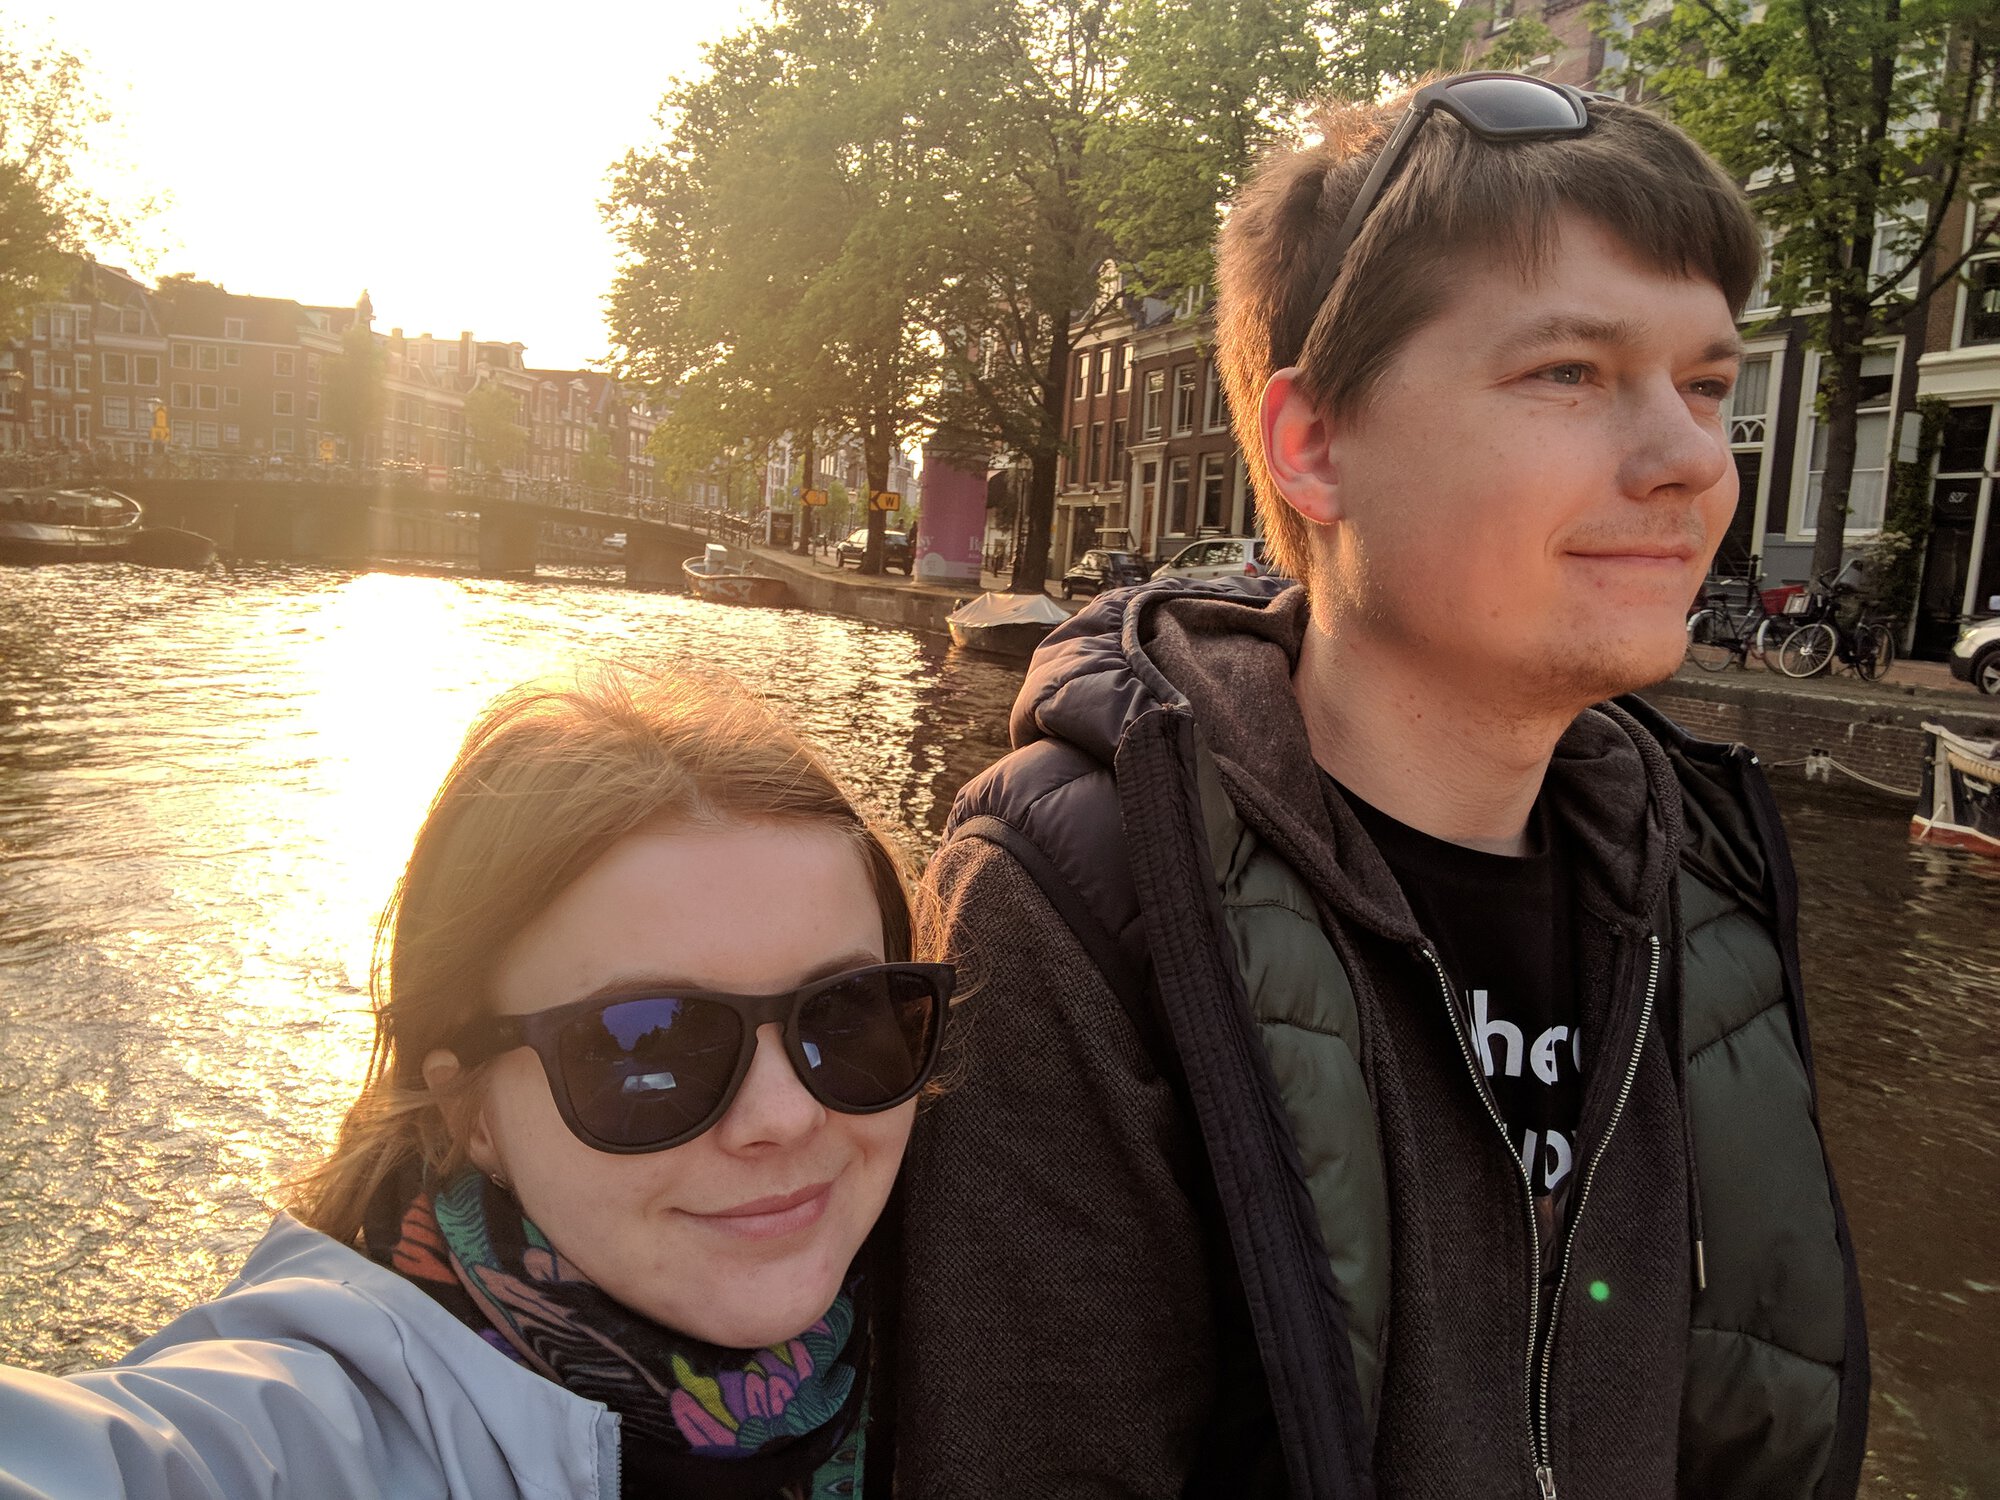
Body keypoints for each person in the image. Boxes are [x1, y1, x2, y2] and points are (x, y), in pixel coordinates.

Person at [894, 73, 1867, 1499]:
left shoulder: (1703, 884)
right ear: (1314, 445)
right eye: (1570, 374)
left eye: (1705, 384)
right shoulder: (1073, 906)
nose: (1690, 462)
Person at [0, 666, 950, 1499]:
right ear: (470, 1110)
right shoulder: (312, 1430)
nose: (784, 1115)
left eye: (849, 1015)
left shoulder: (986, 1299)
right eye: (646, 1047)